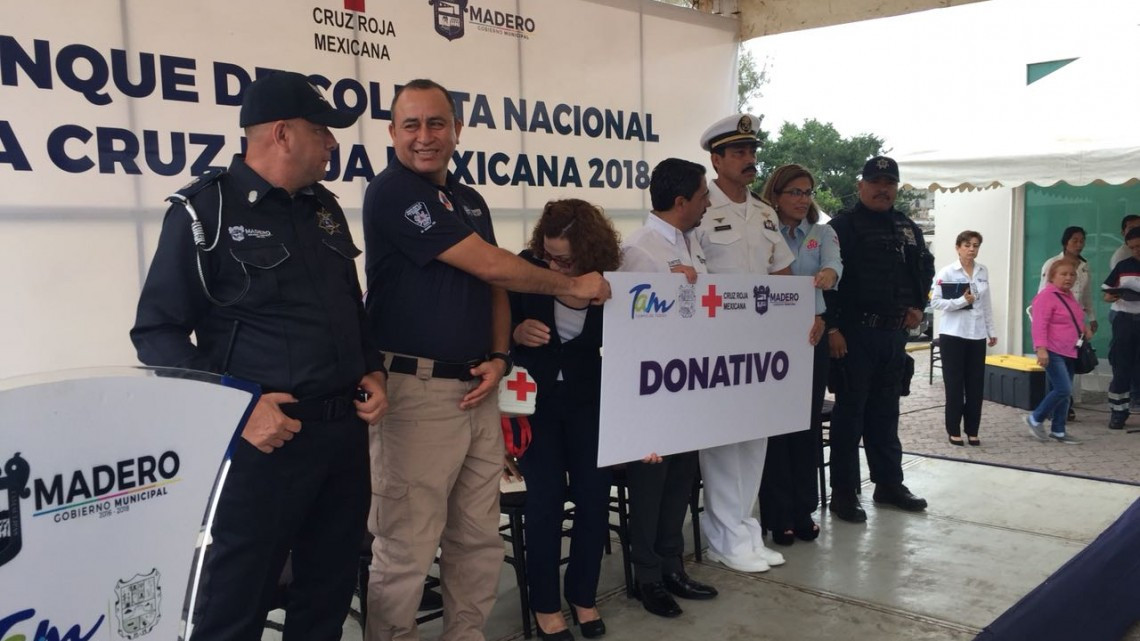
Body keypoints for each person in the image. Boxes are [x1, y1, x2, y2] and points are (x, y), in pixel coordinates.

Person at [130, 70, 389, 640]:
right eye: (322, 131)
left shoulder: (324, 208)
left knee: (326, 595)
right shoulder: (203, 212)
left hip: (342, 435)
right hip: (264, 443)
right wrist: (239, 407)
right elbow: (158, 335)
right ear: (282, 133)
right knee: (236, 605)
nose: (332, 144)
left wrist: (370, 365)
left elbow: (349, 303)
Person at [361, 78, 611, 641]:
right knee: (407, 545)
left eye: (436, 124)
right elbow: (494, 266)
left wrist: (500, 355)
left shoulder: (469, 199)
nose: (425, 137)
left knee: (477, 537)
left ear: (456, 130)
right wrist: (568, 288)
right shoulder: (393, 192)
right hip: (415, 392)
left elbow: (493, 287)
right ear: (392, 132)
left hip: (478, 388)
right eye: (411, 125)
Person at [509, 199, 622, 640]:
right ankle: (545, 605)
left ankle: (583, 596)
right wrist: (517, 334)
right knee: (545, 502)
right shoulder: (523, 270)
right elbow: (496, 326)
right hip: (536, 401)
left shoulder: (612, 278)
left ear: (589, 251)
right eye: (549, 254)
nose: (555, 263)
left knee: (594, 497)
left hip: (589, 400)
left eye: (566, 258)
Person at [692, 114, 794, 572]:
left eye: (752, 151)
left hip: (761, 347)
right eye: (739, 153)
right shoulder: (699, 210)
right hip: (716, 344)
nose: (750, 160)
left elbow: (783, 275)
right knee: (720, 444)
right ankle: (723, 537)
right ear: (716, 160)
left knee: (755, 440)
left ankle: (746, 533)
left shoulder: (766, 212)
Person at [619, 157, 718, 619]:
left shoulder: (692, 241)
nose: (707, 204)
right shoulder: (639, 249)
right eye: (702, 196)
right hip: (651, 390)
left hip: (688, 384)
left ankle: (673, 564)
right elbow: (629, 325)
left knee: (682, 478)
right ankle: (647, 577)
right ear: (681, 201)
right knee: (650, 485)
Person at [823, 155, 934, 524]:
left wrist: (918, 306)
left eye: (889, 183)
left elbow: (924, 268)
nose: (882, 189)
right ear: (861, 186)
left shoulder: (907, 227)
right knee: (849, 417)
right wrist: (834, 328)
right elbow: (830, 283)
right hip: (854, 335)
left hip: (893, 336)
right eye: (875, 182)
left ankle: (889, 484)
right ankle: (843, 494)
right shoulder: (842, 227)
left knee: (886, 416)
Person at [756, 164, 841, 546]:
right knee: (775, 426)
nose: (801, 199)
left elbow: (834, 266)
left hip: (811, 334)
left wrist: (827, 276)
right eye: (794, 192)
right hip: (770, 337)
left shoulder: (822, 233)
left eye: (807, 192)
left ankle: (803, 509)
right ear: (775, 194)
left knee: (805, 425)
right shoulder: (762, 231)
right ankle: (777, 514)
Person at [930, 230, 997, 446]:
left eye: (976, 245)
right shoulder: (947, 272)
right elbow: (936, 303)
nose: (972, 249)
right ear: (958, 247)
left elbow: (986, 303)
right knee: (955, 385)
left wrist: (991, 330)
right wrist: (961, 301)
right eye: (967, 245)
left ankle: (973, 430)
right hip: (953, 334)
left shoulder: (982, 271)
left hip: (976, 334)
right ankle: (953, 429)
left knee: (975, 384)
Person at [1025, 258, 1088, 444]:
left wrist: (1085, 329)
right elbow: (1039, 325)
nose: (1069, 278)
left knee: (1064, 392)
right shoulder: (1046, 296)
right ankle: (1035, 418)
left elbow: (1074, 319)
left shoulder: (1068, 296)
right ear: (1052, 277)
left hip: (1069, 350)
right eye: (1063, 274)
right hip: (1052, 350)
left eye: (1072, 274)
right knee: (1063, 388)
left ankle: (1058, 430)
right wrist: (1041, 349)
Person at [1037, 226, 1096, 422]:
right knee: (1057, 377)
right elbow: (1042, 299)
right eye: (1074, 241)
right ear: (1066, 242)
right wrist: (1041, 345)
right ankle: (1042, 415)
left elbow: (1086, 296)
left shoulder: (1084, 266)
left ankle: (1061, 417)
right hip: (1055, 325)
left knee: (1070, 371)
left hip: (1074, 324)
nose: (1079, 245)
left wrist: (1090, 318)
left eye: (1081, 241)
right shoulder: (1052, 264)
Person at [1102, 226, 1140, 429]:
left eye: (1139, 246)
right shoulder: (1123, 266)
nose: (1137, 251)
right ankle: (1118, 412)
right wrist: (1113, 295)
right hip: (1124, 319)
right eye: (1133, 247)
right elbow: (1106, 294)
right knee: (1121, 367)